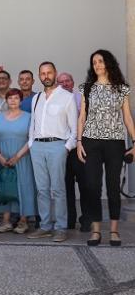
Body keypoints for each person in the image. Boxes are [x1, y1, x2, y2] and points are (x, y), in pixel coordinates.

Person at [77, 50, 135, 246]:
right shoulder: (87, 88)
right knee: (92, 187)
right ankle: (95, 230)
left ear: (108, 63)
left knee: (112, 187)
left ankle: (114, 231)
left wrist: (134, 142)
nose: (98, 65)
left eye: (101, 61)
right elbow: (82, 117)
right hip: (90, 142)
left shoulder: (122, 89)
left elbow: (127, 117)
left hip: (114, 143)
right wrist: (78, 142)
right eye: (94, 62)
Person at [27, 61, 77, 242]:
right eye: (42, 73)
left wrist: (66, 147)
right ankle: (45, 226)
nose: (46, 76)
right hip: (37, 147)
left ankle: (61, 227)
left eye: (49, 72)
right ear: (39, 76)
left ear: (55, 74)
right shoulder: (36, 98)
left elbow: (74, 128)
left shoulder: (67, 97)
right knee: (42, 190)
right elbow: (32, 123)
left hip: (57, 146)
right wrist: (31, 143)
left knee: (58, 189)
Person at [0, 88, 37, 235]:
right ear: (6, 101)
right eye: (10, 98)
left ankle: (23, 221)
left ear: (21, 100)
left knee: (24, 187)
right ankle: (6, 221)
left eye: (16, 98)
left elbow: (32, 139)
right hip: (2, 158)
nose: (13, 101)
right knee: (5, 188)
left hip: (22, 158)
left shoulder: (29, 117)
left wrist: (17, 156)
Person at [58, 71, 89, 231]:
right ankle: (69, 220)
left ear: (72, 81)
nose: (64, 84)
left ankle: (86, 220)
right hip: (63, 149)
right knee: (66, 187)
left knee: (84, 185)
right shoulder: (56, 101)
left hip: (80, 148)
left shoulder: (81, 98)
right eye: (61, 82)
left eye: (67, 81)